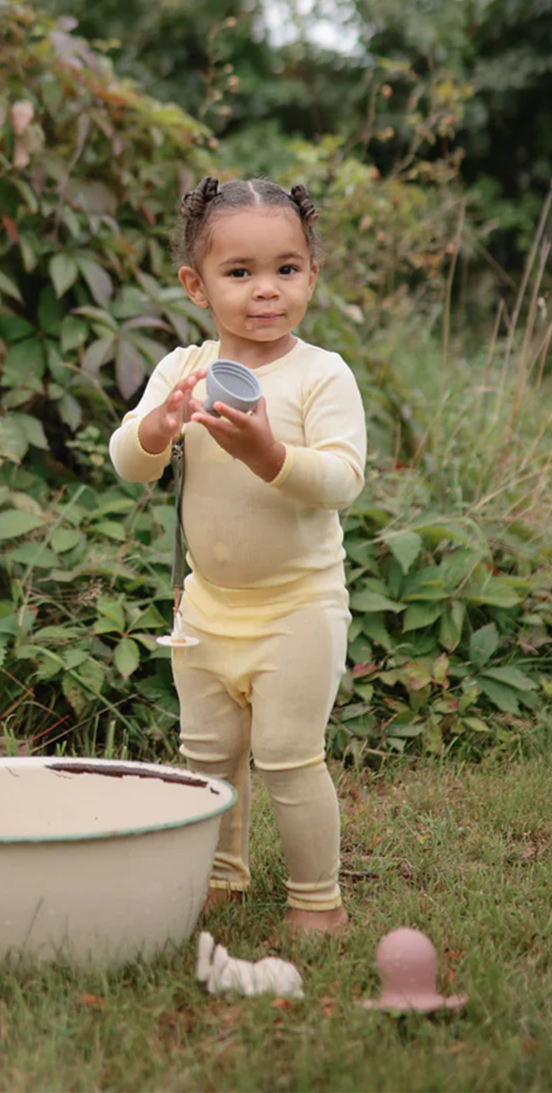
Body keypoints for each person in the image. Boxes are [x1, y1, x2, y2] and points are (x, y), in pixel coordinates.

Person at [109, 176, 367, 935]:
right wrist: (160, 424)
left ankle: (317, 903)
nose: (266, 291)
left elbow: (341, 480)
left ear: (312, 277)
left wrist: (269, 453)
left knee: (289, 759)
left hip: (298, 607)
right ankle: (221, 875)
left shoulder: (321, 375)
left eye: (287, 270)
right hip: (209, 606)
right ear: (196, 285)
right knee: (208, 758)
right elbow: (131, 461)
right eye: (240, 272)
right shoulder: (183, 371)